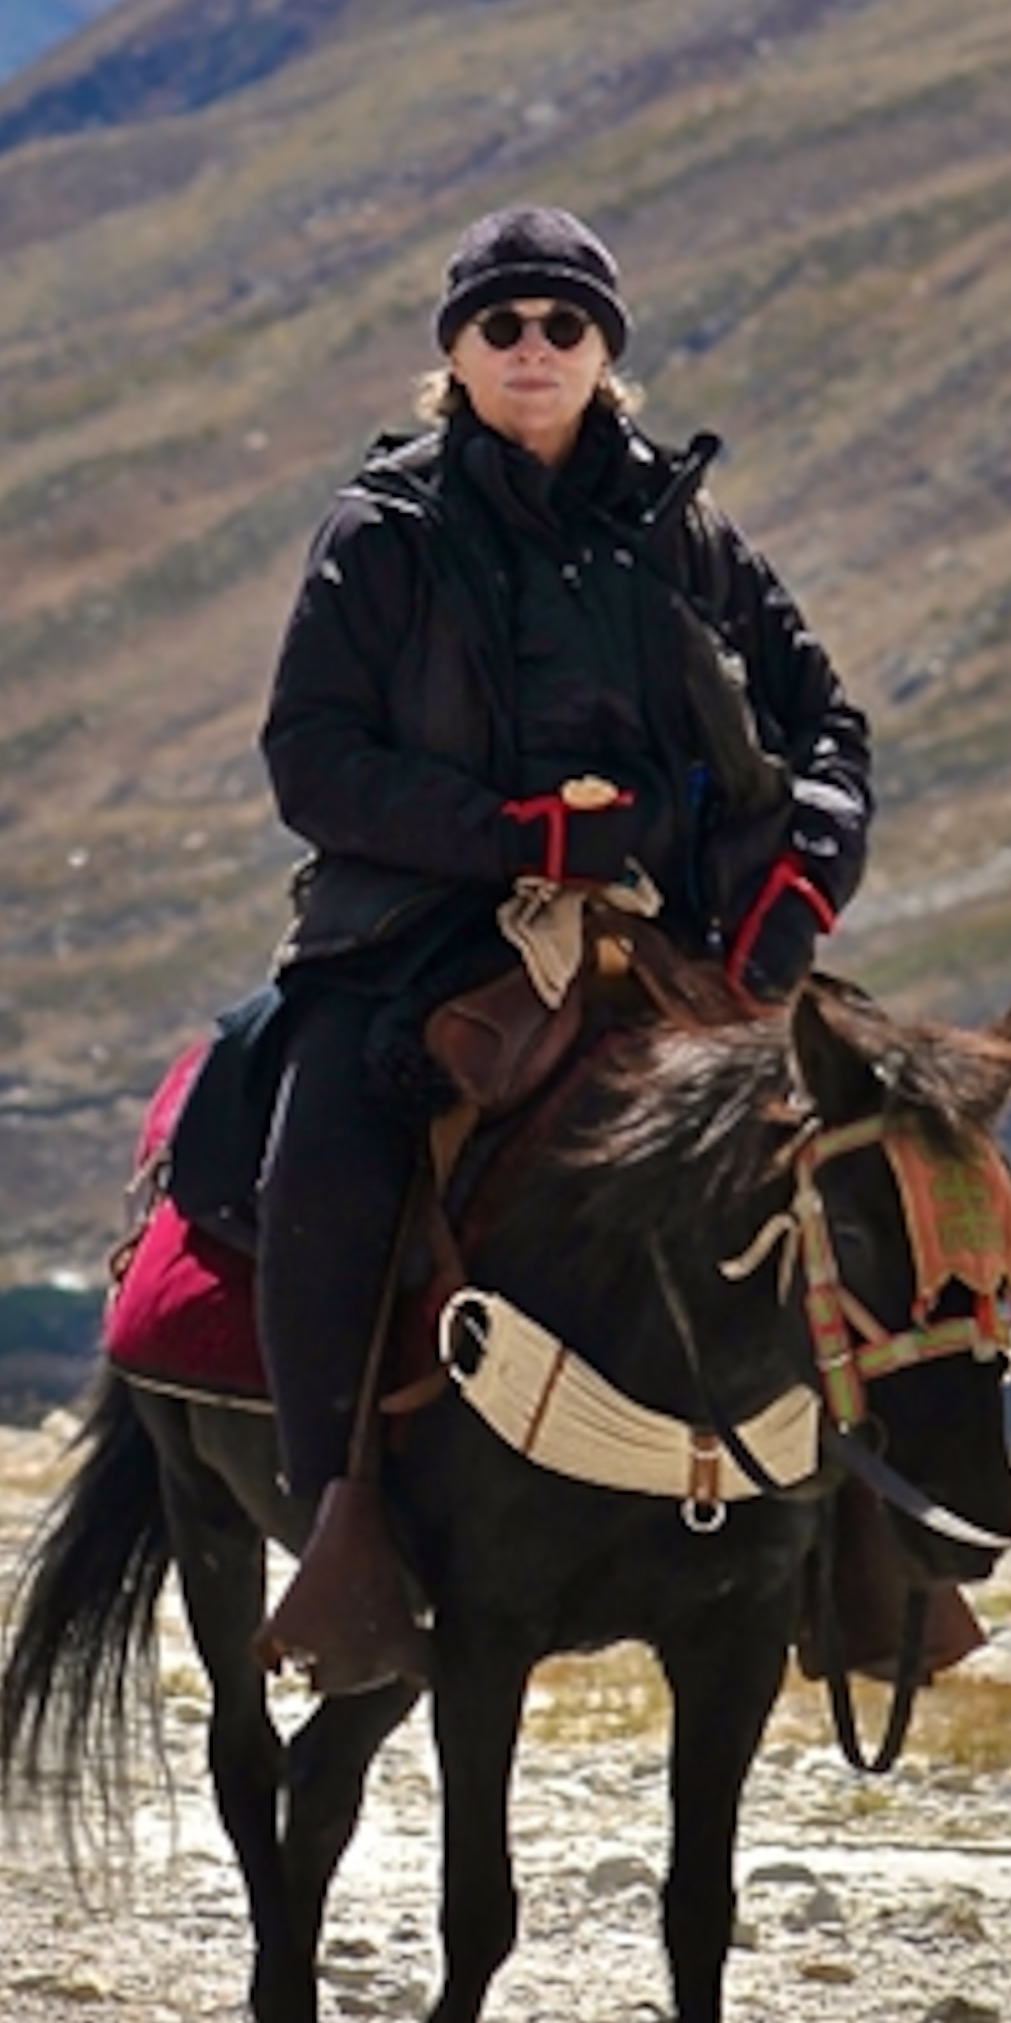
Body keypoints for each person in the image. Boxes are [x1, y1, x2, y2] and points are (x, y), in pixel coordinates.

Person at [252, 202, 872, 1691]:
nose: (534, 349)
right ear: (454, 357)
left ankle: (857, 1551)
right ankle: (342, 1527)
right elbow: (313, 763)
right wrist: (522, 838)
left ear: (608, 356)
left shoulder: (689, 530)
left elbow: (827, 728)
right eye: (501, 326)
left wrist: (798, 898)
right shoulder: (383, 535)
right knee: (316, 1167)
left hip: (680, 941)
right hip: (419, 935)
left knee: (871, 1163)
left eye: (565, 326)